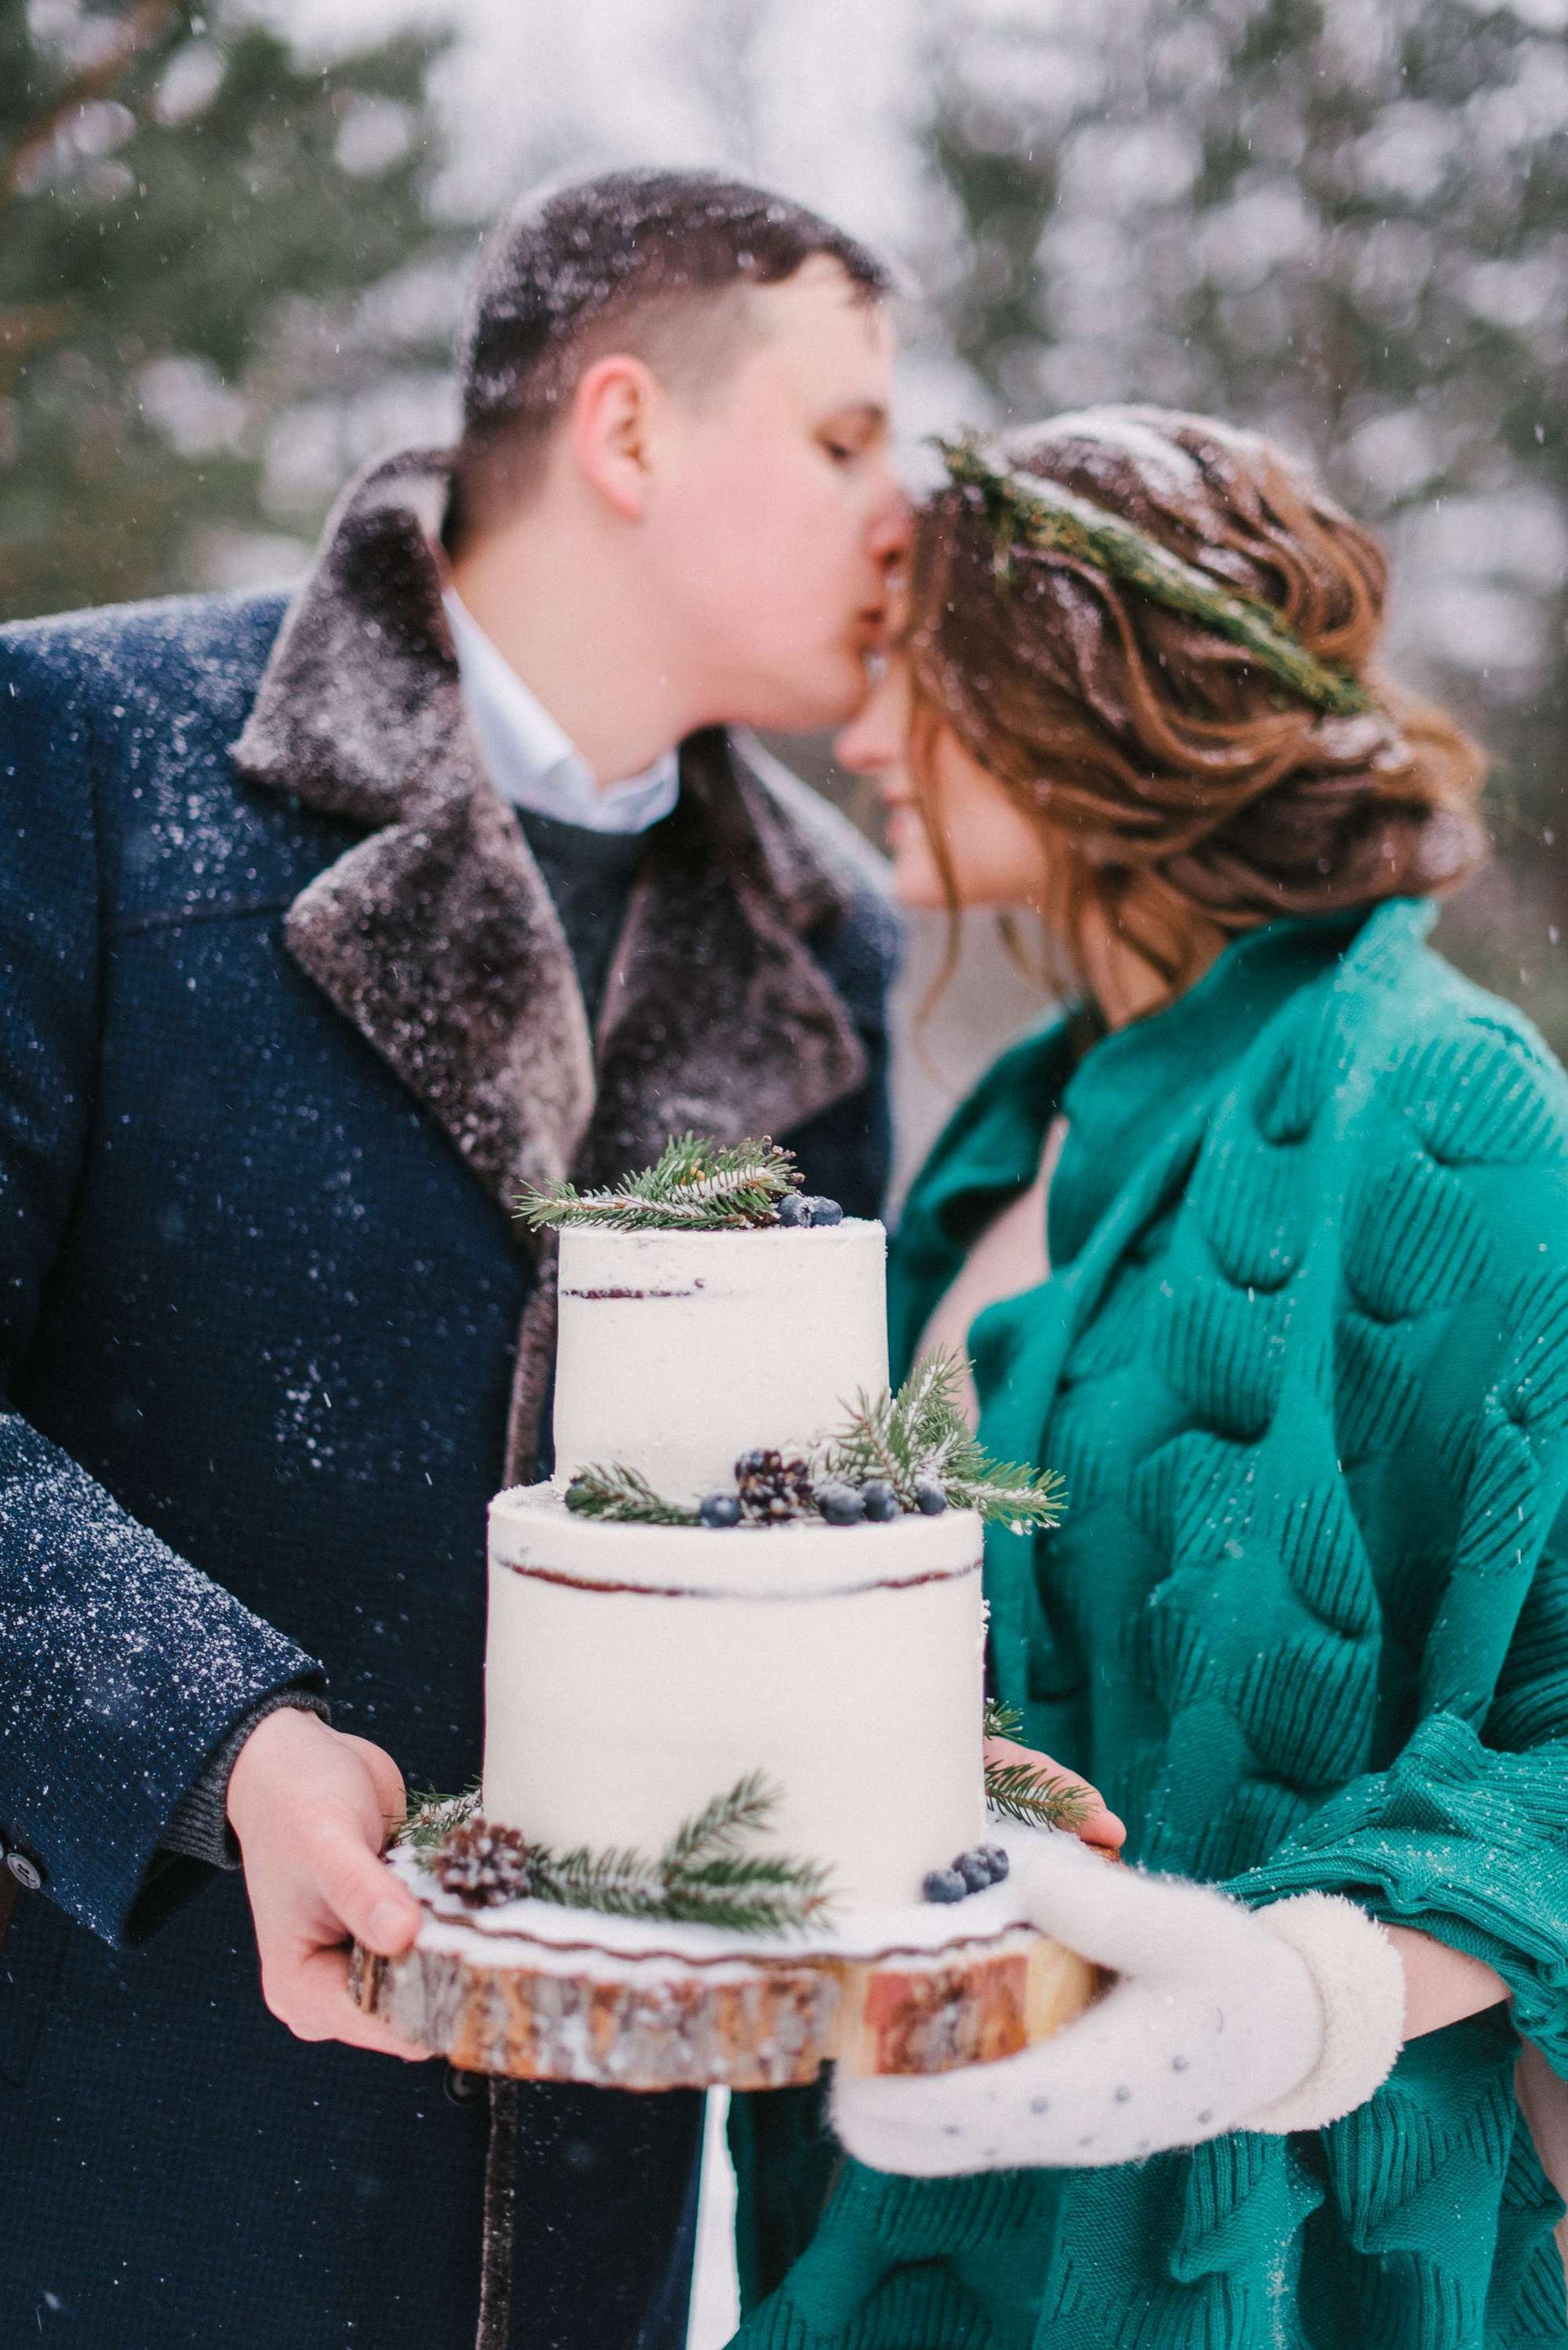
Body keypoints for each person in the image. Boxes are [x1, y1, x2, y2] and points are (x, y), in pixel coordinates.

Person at [0, 169, 910, 2349]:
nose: (911, 512)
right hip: (122, 2157)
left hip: (587, 2231)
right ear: (625, 430)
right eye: (848, 437)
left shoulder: (832, 939)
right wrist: (215, 1734)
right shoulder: (86, 760)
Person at [728, 409, 1568, 2349]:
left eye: (911, 688)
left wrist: (1304, 1991)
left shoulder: (1444, 1107)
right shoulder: (1010, 1131)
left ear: (1087, 705)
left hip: (1279, 2258)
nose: (860, 748)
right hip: (901, 2213)